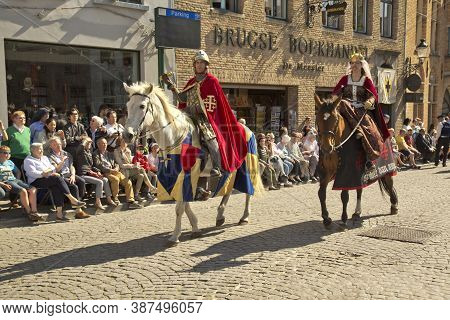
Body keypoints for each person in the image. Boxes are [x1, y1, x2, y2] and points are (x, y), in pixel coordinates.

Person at [165, 50, 247, 177]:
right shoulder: (192, 82)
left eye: (201, 63)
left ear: (206, 65)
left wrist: (200, 110)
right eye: (197, 62)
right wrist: (171, 86)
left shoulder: (211, 81)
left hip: (205, 116)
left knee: (209, 136)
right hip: (189, 114)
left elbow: (213, 104)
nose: (199, 65)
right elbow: (182, 99)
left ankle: (217, 166)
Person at [332, 52, 389, 169]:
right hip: (344, 108)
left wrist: (370, 101)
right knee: (339, 108)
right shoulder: (344, 79)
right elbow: (335, 93)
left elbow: (374, 95)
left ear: (362, 65)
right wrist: (332, 102)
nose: (354, 65)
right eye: (352, 63)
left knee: (370, 129)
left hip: (361, 109)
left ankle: (369, 158)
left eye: (357, 63)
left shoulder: (366, 80)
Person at [24, 143, 86, 221]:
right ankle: (72, 200)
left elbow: (52, 167)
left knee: (64, 185)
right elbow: (32, 173)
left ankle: (60, 214)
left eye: (42, 149)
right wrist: (43, 174)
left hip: (49, 178)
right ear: (33, 150)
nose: (42, 150)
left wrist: (49, 172)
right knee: (57, 178)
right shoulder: (28, 160)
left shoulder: (45, 158)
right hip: (36, 180)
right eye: (39, 149)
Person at [93, 137, 142, 209]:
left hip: (114, 171)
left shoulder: (109, 153)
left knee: (128, 182)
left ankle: (131, 201)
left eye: (106, 143)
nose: (105, 145)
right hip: (105, 172)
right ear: (98, 145)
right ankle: (115, 198)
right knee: (115, 179)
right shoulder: (95, 154)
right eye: (103, 143)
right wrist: (110, 170)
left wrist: (116, 168)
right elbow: (98, 165)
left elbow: (116, 163)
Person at [47, 137, 89, 219]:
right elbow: (56, 169)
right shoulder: (49, 156)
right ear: (51, 146)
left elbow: (71, 166)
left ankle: (76, 202)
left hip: (69, 174)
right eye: (55, 145)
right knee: (74, 186)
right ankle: (78, 210)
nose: (58, 146)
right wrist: (62, 161)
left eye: (59, 144)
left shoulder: (67, 154)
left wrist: (73, 175)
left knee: (81, 181)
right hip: (60, 175)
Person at [0, 145, 44, 221]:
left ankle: (34, 211)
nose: (8, 155)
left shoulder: (10, 162)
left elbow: (18, 172)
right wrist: (3, 184)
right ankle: (29, 212)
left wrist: (16, 180)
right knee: (23, 191)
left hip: (14, 180)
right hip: (6, 181)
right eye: (5, 153)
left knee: (33, 189)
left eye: (9, 153)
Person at [76, 138, 115, 210]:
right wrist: (85, 141)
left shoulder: (89, 153)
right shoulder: (80, 152)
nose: (89, 145)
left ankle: (109, 199)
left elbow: (92, 166)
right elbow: (81, 147)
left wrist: (97, 171)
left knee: (105, 179)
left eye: (90, 144)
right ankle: (98, 202)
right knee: (99, 182)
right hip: (83, 174)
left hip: (90, 173)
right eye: (87, 143)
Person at [114, 137, 155, 201]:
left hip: (130, 170)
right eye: (123, 142)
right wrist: (133, 165)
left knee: (141, 174)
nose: (125, 143)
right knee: (142, 170)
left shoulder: (128, 150)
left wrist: (136, 165)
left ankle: (136, 194)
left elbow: (130, 162)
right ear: (119, 143)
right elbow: (121, 165)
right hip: (123, 171)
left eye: (126, 142)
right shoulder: (116, 151)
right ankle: (151, 187)